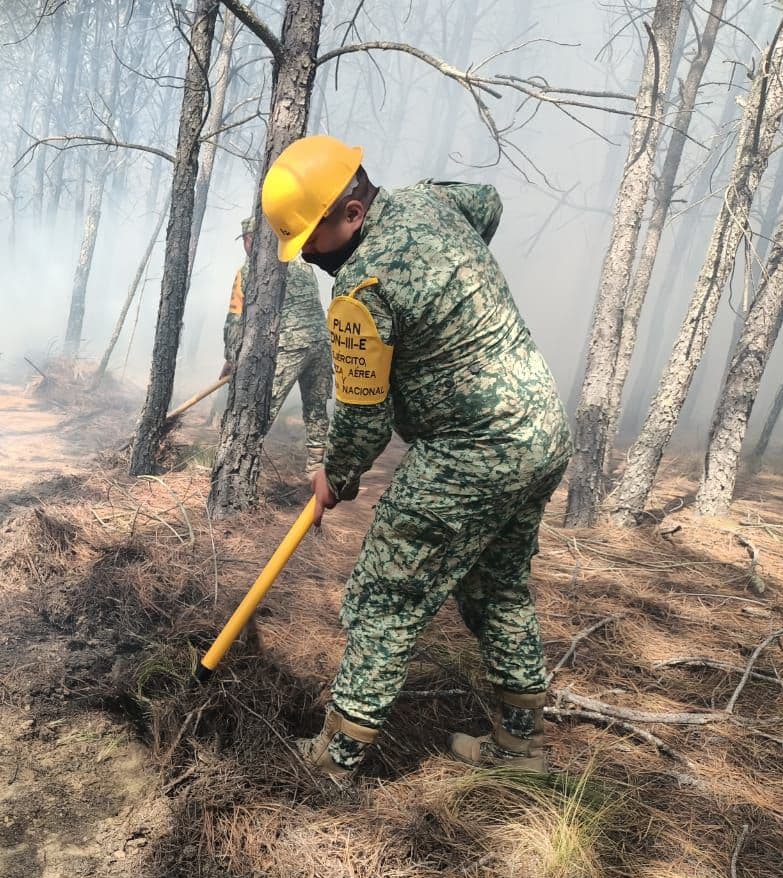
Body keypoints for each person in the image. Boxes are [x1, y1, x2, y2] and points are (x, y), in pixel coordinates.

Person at [258, 135, 572, 780]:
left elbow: (363, 415)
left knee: (384, 598)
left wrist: (333, 477)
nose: (311, 256)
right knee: (497, 588)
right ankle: (523, 748)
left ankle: (333, 762)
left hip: (471, 450)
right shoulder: (430, 203)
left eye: (311, 239)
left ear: (351, 210)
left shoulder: (361, 290)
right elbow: (485, 201)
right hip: (540, 431)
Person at [222, 217, 332, 475]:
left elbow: (235, 318)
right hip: (321, 343)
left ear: (256, 239)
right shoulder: (302, 261)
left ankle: (239, 469)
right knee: (316, 408)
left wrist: (231, 357)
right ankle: (316, 468)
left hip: (289, 347)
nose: (246, 246)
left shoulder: (249, 271)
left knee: (262, 406)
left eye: (248, 239)